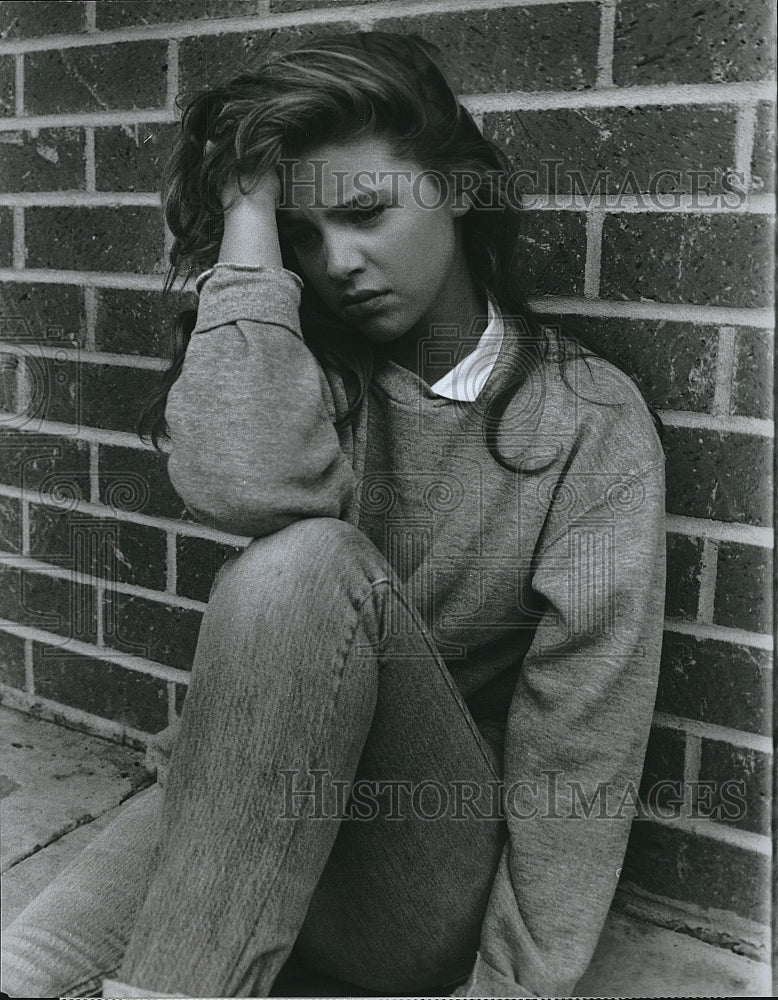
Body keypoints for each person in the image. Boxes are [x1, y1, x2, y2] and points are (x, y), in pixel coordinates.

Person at [1, 31, 666, 999]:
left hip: (418, 865)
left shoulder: (589, 425)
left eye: (365, 213)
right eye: (305, 236)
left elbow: (582, 755)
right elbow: (242, 478)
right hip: (248, 805)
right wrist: (244, 209)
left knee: (303, 567)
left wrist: (511, 988)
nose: (337, 262)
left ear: (459, 190)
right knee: (22, 972)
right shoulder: (309, 371)